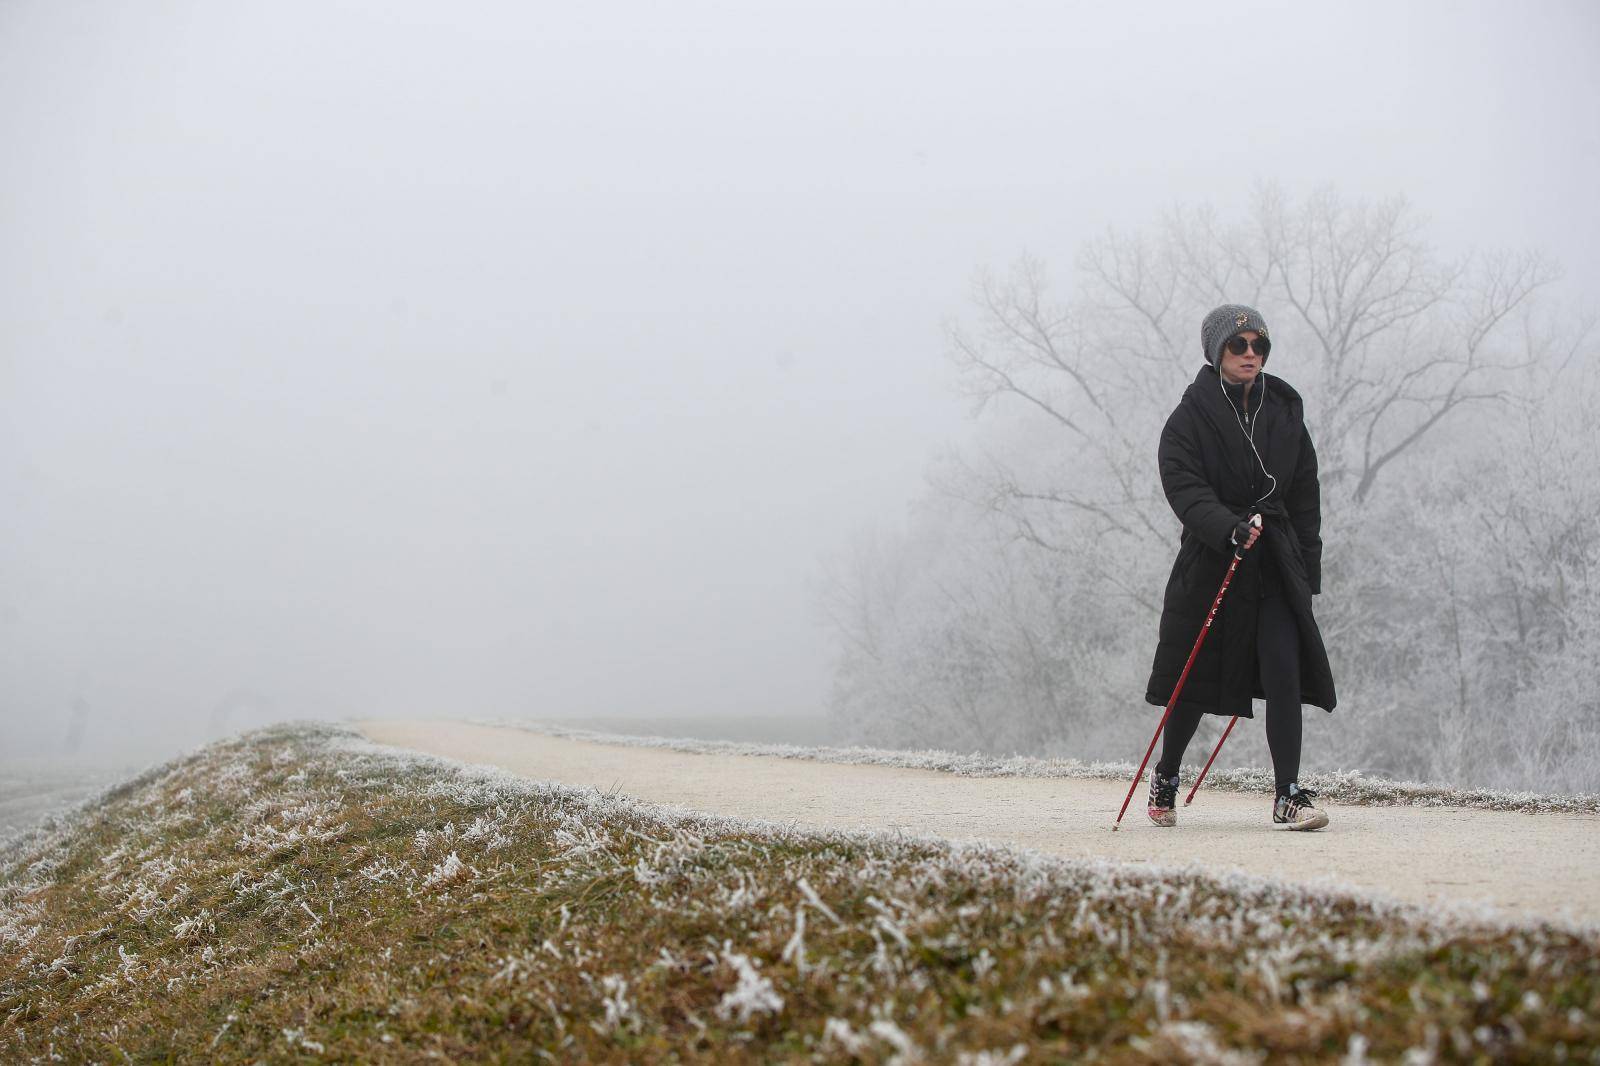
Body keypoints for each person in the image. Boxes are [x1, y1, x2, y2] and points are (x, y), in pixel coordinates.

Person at [1142, 304, 1337, 831]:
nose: (1251, 354)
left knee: (1283, 669)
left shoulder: (1285, 410)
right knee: (1195, 679)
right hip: (1214, 561)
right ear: (1216, 352)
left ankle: (1288, 794)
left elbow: (1304, 496)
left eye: (1260, 345)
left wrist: (1307, 570)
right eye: (1239, 345)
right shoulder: (1189, 417)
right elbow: (1183, 485)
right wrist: (1226, 526)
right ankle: (1166, 774)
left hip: (1274, 564)